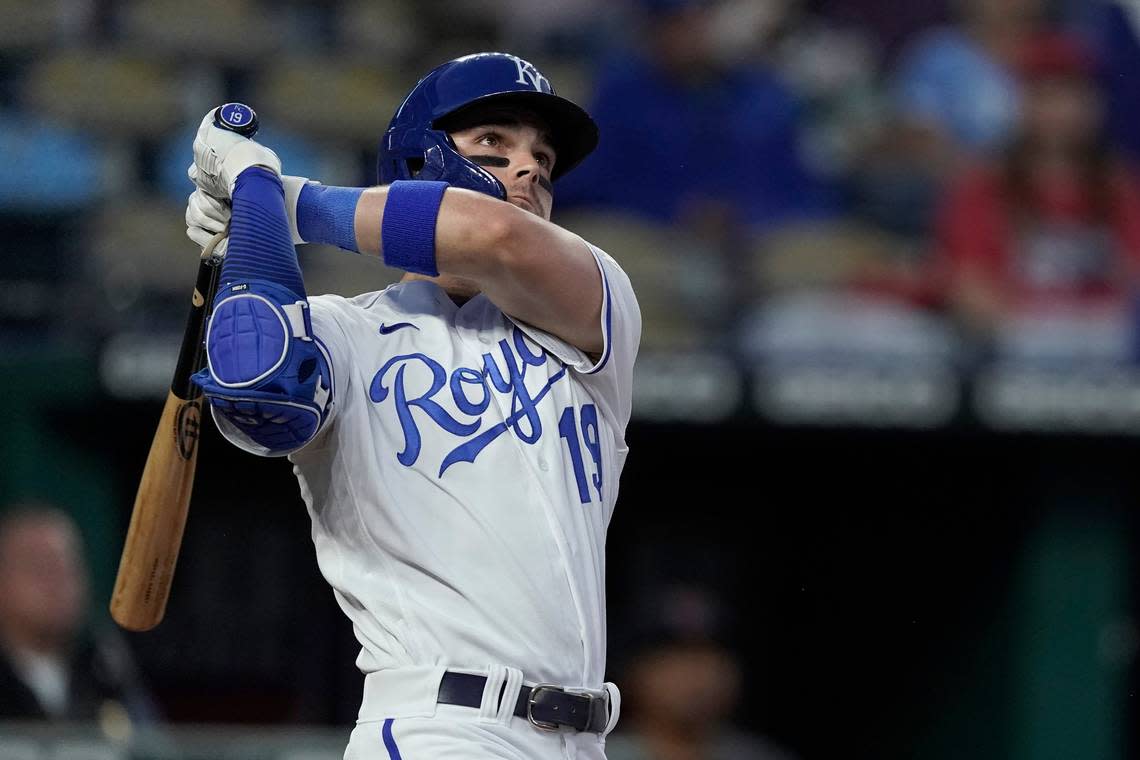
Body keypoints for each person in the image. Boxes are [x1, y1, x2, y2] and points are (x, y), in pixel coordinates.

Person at [182, 52, 640, 759]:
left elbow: (494, 237)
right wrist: (253, 213)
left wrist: (278, 193)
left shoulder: (595, 316)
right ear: (419, 166)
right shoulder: (348, 331)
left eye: (542, 162)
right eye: (494, 143)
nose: (528, 171)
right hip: (440, 726)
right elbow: (257, 378)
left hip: (585, 741)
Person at [935, 31, 1140, 354]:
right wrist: (1030, 334)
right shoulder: (984, 186)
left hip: (1108, 350)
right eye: (1045, 95)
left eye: (1074, 95)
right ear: (1021, 102)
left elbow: (1134, 276)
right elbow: (970, 286)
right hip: (1017, 353)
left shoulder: (1121, 187)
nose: (1062, 111)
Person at [0, 503, 156, 724]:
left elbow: (151, 748)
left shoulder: (106, 670)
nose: (57, 582)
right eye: (40, 568)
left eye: (67, 566)